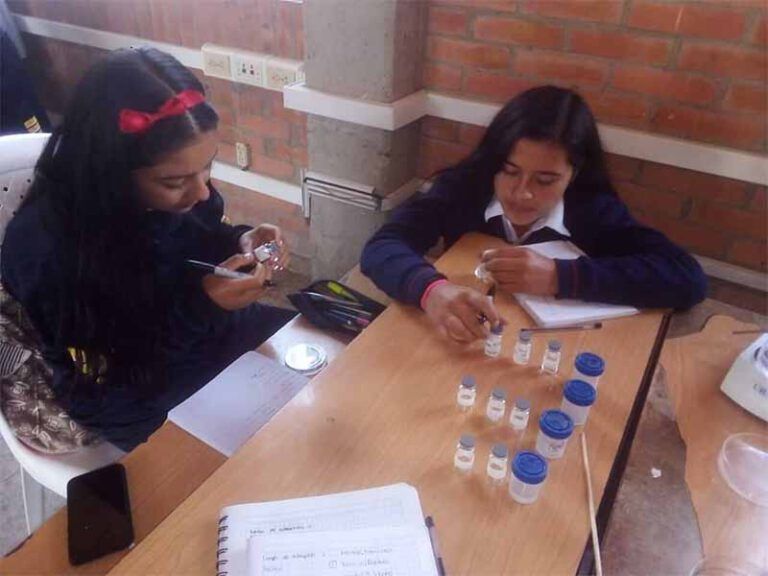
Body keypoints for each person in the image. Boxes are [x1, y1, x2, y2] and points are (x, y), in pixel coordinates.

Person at [1, 47, 295, 452]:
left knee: (325, 360)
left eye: (207, 167)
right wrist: (203, 305)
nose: (202, 191)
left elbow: (200, 234)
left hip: (197, 328)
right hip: (127, 385)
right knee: (250, 461)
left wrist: (240, 241)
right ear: (111, 169)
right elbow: (115, 369)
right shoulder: (47, 249)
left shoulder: (176, 193)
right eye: (175, 182)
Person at [361, 86, 706, 343]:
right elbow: (382, 246)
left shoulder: (592, 209)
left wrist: (560, 276)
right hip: (463, 344)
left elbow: (687, 279)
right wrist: (432, 290)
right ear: (493, 160)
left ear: (574, 173)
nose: (522, 192)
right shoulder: (464, 188)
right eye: (509, 171)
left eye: (545, 180)